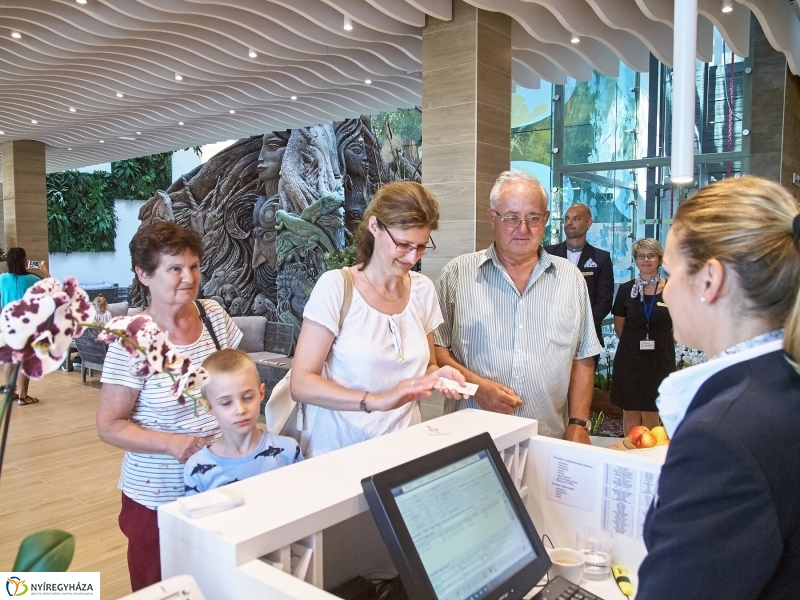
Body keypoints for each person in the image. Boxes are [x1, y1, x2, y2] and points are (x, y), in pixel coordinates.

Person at [637, 176, 800, 598]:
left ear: (710, 280)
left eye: (670, 273)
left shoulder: (721, 438)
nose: (666, 292)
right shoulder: (783, 384)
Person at [96, 221, 242, 591]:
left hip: (218, 484)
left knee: (216, 584)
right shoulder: (132, 339)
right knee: (161, 588)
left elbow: (232, 384)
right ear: (143, 274)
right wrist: (172, 443)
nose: (188, 278)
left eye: (193, 267)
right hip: (157, 497)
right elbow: (109, 425)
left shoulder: (213, 317)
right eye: (174, 269)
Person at [290, 181, 468, 458]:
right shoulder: (337, 286)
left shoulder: (422, 290)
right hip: (342, 454)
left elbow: (427, 365)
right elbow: (301, 383)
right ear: (374, 226)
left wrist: (438, 375)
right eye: (403, 244)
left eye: (421, 247)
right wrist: (378, 402)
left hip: (406, 452)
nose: (412, 257)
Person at [434, 171, 601, 443]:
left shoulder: (571, 278)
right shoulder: (457, 275)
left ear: (546, 220)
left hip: (548, 438)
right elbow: (437, 349)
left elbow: (583, 357)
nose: (523, 229)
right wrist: (477, 388)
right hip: (472, 440)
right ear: (492, 218)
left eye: (533, 218)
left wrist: (579, 423)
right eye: (511, 218)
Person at [184, 349, 302, 495]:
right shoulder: (197, 469)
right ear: (207, 406)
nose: (240, 410)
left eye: (247, 398)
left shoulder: (289, 451)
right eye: (226, 403)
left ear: (261, 393)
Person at [610, 239, 676, 435]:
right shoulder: (625, 290)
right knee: (630, 409)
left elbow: (679, 325)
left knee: (651, 411)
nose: (646, 260)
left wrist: (662, 344)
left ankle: (648, 457)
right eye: (641, 256)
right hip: (630, 359)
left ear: (659, 259)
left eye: (651, 255)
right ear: (635, 260)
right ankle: (630, 453)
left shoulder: (672, 289)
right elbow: (619, 327)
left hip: (659, 361)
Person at [544, 203, 613, 349]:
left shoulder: (601, 258)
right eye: (567, 218)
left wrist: (581, 327)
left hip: (587, 338)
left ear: (588, 223)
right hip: (551, 337)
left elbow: (604, 301)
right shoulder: (547, 254)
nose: (569, 223)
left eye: (576, 219)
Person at [0, 247, 50, 405]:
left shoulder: (2, 278)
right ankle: (23, 396)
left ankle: (10, 394)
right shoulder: (33, 280)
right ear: (23, 260)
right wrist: (44, 271)